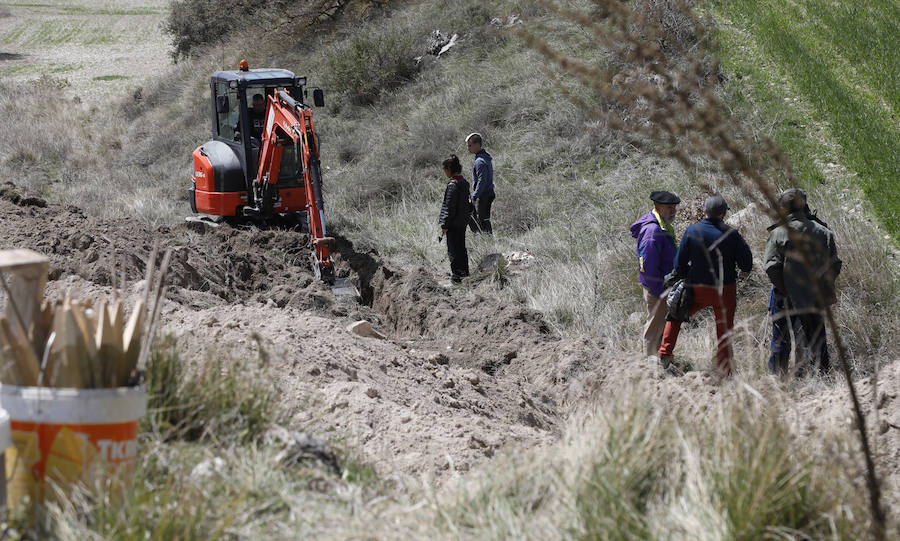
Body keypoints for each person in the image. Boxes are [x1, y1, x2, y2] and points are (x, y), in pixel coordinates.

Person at [658, 195, 753, 376]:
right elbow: (746, 265)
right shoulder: (731, 234)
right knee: (724, 330)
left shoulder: (692, 231)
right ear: (724, 214)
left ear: (704, 212)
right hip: (725, 290)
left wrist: (689, 275)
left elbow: (678, 264)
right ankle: (724, 371)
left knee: (676, 314)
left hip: (697, 287)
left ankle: (665, 354)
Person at [764, 188, 841, 375]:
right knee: (816, 336)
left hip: (784, 296)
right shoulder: (823, 232)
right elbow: (834, 264)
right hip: (813, 295)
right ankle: (820, 375)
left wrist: (787, 289)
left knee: (780, 338)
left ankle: (778, 377)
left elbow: (771, 267)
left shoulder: (779, 233)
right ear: (804, 205)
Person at [630, 190, 680, 357]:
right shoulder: (652, 231)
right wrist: (659, 290)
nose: (673, 211)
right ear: (658, 207)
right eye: (669, 207)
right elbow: (648, 266)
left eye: (674, 207)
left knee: (660, 326)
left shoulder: (662, 224)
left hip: (663, 286)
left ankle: (658, 362)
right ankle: (650, 368)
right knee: (654, 329)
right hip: (657, 288)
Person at [439, 154, 471, 282]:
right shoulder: (464, 182)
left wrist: (444, 225)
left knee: (453, 250)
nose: (444, 172)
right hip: (463, 221)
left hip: (453, 224)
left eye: (445, 169)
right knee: (461, 248)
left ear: (449, 168)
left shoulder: (452, 185)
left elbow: (449, 208)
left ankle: (457, 276)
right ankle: (465, 273)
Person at [465, 133, 494, 234]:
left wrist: (475, 196)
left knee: (482, 219)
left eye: (470, 146)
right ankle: (486, 239)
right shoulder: (485, 157)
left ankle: (486, 240)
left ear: (477, 145)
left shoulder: (480, 161)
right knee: (484, 218)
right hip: (488, 192)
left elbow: (482, 181)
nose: (468, 148)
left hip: (484, 194)